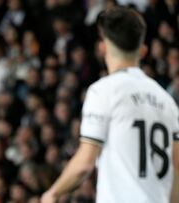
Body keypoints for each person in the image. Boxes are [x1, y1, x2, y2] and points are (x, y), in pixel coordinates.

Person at [41, 6, 179, 203]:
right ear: (142, 50)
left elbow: (85, 163)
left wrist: (53, 193)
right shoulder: (166, 100)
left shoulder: (103, 91)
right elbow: (176, 168)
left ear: (102, 47)